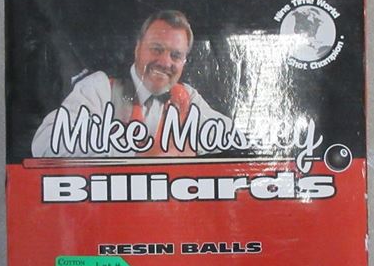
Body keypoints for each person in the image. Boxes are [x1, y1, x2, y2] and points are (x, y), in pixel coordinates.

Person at [31, 10, 234, 158]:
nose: (165, 62)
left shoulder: (186, 96)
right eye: (156, 49)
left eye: (175, 55)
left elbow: (232, 136)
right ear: (138, 49)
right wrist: (132, 150)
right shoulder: (100, 87)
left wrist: (189, 145)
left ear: (184, 62)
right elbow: (44, 143)